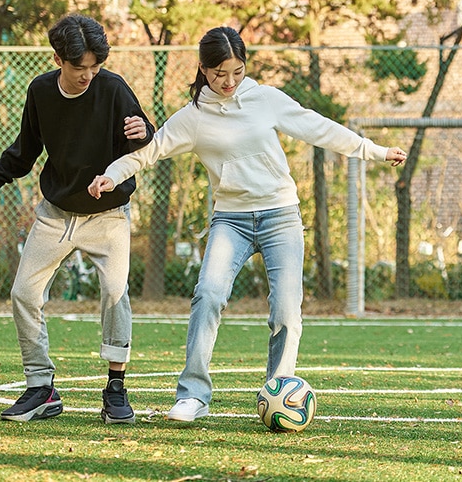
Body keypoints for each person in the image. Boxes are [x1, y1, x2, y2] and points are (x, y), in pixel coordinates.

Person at [88, 26, 407, 422]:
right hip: (231, 221)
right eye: (220, 73)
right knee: (208, 295)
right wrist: (111, 175)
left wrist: (373, 151)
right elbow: (147, 153)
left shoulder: (264, 98)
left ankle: (280, 390)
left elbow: (317, 127)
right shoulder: (193, 118)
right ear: (203, 69)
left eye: (237, 71)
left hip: (280, 216)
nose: (229, 81)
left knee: (287, 311)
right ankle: (193, 396)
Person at [0, 14, 155, 424]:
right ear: (59, 58)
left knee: (115, 293)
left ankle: (115, 389)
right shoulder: (40, 91)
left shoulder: (112, 88)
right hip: (55, 215)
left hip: (108, 216)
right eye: (80, 68)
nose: (88, 76)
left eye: (95, 67)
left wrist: (143, 130)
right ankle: (41, 388)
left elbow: (141, 141)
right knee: (23, 293)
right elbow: (27, 146)